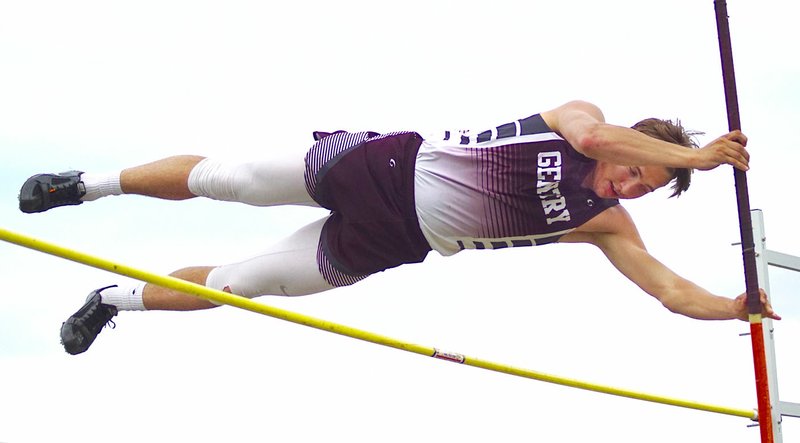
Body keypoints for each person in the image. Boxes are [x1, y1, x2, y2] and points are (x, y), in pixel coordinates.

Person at [18, 100, 780, 355]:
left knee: (237, 287)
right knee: (229, 180)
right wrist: (695, 156)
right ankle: (81, 186)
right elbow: (594, 143)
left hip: (392, 243)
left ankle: (111, 300)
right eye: (638, 171)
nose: (630, 186)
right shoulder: (578, 121)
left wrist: (735, 305)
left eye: (646, 188)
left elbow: (673, 291)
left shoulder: (605, 224)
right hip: (382, 169)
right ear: (636, 142)